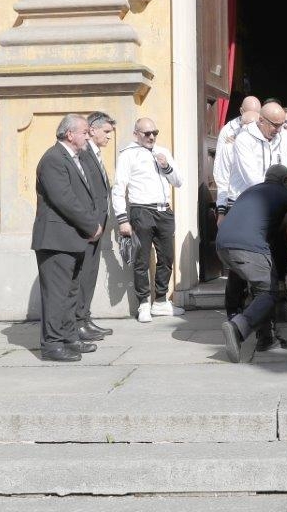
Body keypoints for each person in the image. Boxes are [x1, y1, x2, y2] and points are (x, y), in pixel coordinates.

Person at [217, 102, 287, 337]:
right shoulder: (244, 140)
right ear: (261, 121)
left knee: (270, 269)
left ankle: (265, 330)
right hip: (245, 205)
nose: (278, 130)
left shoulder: (282, 136)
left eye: (282, 125)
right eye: (274, 125)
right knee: (238, 272)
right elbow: (254, 178)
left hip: (270, 206)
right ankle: (234, 317)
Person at [219, 166, 287, 363]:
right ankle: (238, 328)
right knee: (270, 291)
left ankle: (266, 338)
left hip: (223, 245)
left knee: (260, 289)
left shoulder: (252, 191)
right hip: (248, 248)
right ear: (285, 182)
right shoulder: (284, 192)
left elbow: (277, 223)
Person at [31, 115, 104, 362]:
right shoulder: (53, 159)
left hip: (72, 238)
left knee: (71, 293)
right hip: (55, 239)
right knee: (56, 295)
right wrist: (91, 225)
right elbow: (64, 199)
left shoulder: (76, 158)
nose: (88, 135)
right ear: (70, 134)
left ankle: (69, 338)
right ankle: (52, 345)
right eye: (85, 131)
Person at [113, 118, 183, 323]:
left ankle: (160, 301)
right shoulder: (128, 154)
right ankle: (143, 303)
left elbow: (178, 181)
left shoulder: (163, 152)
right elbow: (118, 188)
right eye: (147, 133)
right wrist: (122, 219)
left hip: (164, 211)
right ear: (136, 134)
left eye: (155, 132)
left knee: (167, 257)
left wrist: (167, 166)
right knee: (142, 259)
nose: (151, 137)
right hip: (141, 210)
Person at [77, 112, 117, 342]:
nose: (109, 137)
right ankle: (79, 321)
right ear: (92, 130)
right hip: (89, 226)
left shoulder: (95, 153)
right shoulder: (83, 154)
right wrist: (91, 223)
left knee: (90, 274)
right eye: (106, 132)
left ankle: (85, 318)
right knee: (84, 274)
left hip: (97, 225)